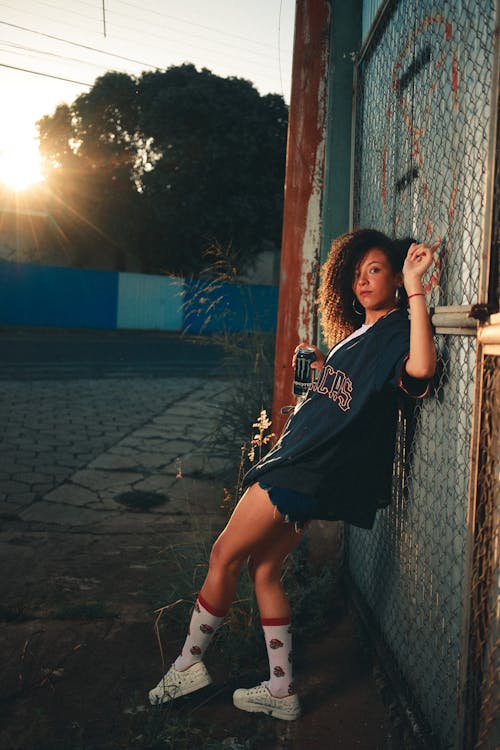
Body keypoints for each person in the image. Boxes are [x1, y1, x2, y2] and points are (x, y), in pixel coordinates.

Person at [148, 228, 438, 721]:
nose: (364, 281)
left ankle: (187, 666)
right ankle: (281, 691)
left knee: (224, 554)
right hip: (306, 463)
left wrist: (415, 287)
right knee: (264, 570)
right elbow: (345, 400)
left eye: (376, 270)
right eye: (357, 273)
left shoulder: (397, 328)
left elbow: (422, 371)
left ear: (394, 277)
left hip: (304, 467)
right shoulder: (358, 337)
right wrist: (323, 369)